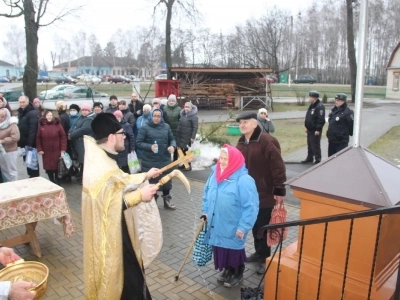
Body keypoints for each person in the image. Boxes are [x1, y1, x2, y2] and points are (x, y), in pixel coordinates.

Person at [82, 113, 160, 299]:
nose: (125, 135)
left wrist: (145, 176)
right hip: (111, 239)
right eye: (121, 133)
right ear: (111, 137)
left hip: (116, 229)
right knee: (127, 282)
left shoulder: (102, 158)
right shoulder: (101, 168)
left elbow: (119, 181)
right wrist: (139, 196)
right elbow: (108, 205)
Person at [235, 111, 286, 275]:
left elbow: (278, 167)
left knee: (262, 227)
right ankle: (258, 253)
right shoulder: (242, 142)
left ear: (255, 124)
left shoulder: (267, 141)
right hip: (246, 193)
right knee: (253, 225)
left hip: (264, 193)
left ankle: (264, 258)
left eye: (245, 122)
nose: (242, 125)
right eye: (240, 123)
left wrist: (279, 190)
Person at [201, 144, 258, 288]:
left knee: (233, 249)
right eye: (221, 158)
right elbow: (207, 195)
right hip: (217, 222)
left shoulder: (244, 180)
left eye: (226, 158)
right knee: (221, 247)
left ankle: (237, 272)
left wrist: (244, 227)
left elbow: (250, 206)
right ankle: (227, 270)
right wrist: (205, 212)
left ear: (235, 160)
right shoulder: (215, 174)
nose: (223, 161)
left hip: (233, 225)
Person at [136, 108, 177, 210]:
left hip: (165, 160)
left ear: (161, 117)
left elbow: (172, 139)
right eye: (155, 116)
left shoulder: (166, 127)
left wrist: (172, 146)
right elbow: (138, 142)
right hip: (150, 161)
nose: (156, 118)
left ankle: (167, 201)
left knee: (166, 182)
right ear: (151, 116)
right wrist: (150, 147)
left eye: (159, 116)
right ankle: (152, 203)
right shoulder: (145, 127)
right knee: (152, 184)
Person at [36, 110, 67, 184]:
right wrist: (40, 149)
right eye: (47, 115)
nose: (49, 117)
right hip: (46, 150)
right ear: (45, 116)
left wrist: (63, 148)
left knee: (57, 166)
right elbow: (38, 138)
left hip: (57, 149)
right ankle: (51, 181)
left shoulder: (58, 125)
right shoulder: (41, 126)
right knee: (48, 167)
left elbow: (63, 137)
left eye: (50, 115)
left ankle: (57, 180)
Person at [68, 103, 95, 183]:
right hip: (79, 142)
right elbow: (74, 125)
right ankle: (81, 174)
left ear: (89, 111)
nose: (84, 112)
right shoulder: (81, 117)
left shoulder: (89, 119)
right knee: (81, 159)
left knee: (84, 160)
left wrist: (72, 135)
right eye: (83, 110)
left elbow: (84, 129)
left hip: (85, 142)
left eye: (86, 110)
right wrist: (70, 132)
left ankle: (84, 177)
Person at [17, 96, 40, 178]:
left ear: (27, 102)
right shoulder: (21, 112)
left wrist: (30, 143)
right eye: (20, 102)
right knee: (27, 161)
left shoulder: (32, 112)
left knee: (32, 162)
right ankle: (31, 176)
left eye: (23, 102)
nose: (22, 104)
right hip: (24, 142)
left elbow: (33, 129)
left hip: (30, 144)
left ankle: (35, 177)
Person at [302, 91, 325, 164]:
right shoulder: (312, 106)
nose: (309, 98)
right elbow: (309, 117)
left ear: (314, 98)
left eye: (310, 97)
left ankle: (318, 159)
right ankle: (310, 157)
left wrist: (318, 129)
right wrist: (307, 127)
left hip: (315, 130)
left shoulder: (319, 106)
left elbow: (321, 119)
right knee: (310, 144)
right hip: (310, 129)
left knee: (315, 144)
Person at [176, 102, 198, 171]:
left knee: (186, 151)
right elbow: (179, 125)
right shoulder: (182, 115)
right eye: (185, 107)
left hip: (187, 137)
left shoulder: (194, 117)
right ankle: (184, 164)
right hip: (181, 136)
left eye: (188, 107)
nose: (186, 108)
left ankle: (188, 165)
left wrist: (192, 137)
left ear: (191, 108)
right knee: (181, 151)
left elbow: (195, 127)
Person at [0, 108, 20, 181]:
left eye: (2, 117)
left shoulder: (12, 125)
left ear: (7, 116)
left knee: (12, 171)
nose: (0, 119)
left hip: (10, 151)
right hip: (1, 151)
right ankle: (8, 185)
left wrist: (3, 141)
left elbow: (16, 137)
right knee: (4, 170)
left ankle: (15, 186)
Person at [163, 94, 181, 160]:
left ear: (175, 102)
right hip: (167, 129)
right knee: (167, 144)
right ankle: (167, 159)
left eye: (172, 101)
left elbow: (180, 119)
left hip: (176, 130)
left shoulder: (179, 109)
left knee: (175, 145)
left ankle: (175, 159)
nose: (171, 102)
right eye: (170, 101)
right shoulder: (164, 108)